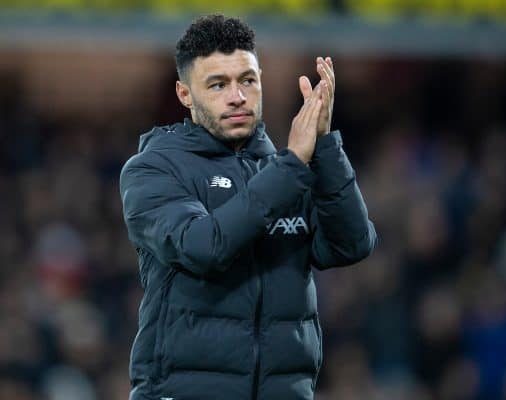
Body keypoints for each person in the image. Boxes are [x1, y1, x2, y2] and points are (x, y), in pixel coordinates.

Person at [119, 14, 377, 400]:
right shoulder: (153, 169)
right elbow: (204, 247)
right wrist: (293, 165)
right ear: (184, 94)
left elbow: (351, 244)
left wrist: (324, 145)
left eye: (247, 81)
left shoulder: (287, 168)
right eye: (218, 84)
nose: (237, 96)